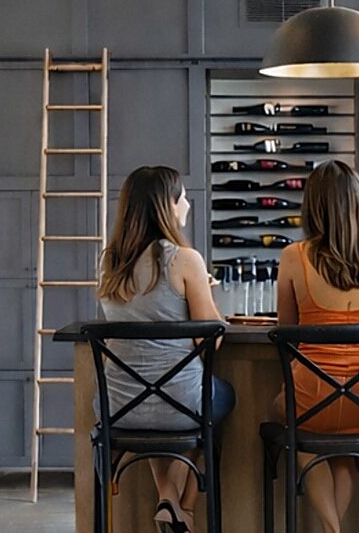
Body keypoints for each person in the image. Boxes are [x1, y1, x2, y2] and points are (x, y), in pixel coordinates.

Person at [96, 165, 232, 533]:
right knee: (212, 403)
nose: (187, 203)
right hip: (181, 405)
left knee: (159, 397)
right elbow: (211, 337)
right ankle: (183, 507)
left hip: (120, 407)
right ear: (169, 206)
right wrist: (205, 290)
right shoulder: (185, 260)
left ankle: (168, 501)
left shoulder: (110, 261)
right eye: (183, 197)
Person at [274, 160, 359, 533]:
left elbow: (286, 333)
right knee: (345, 451)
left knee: (290, 420)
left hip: (313, 399)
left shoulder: (293, 257)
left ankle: (332, 530)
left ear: (312, 206)